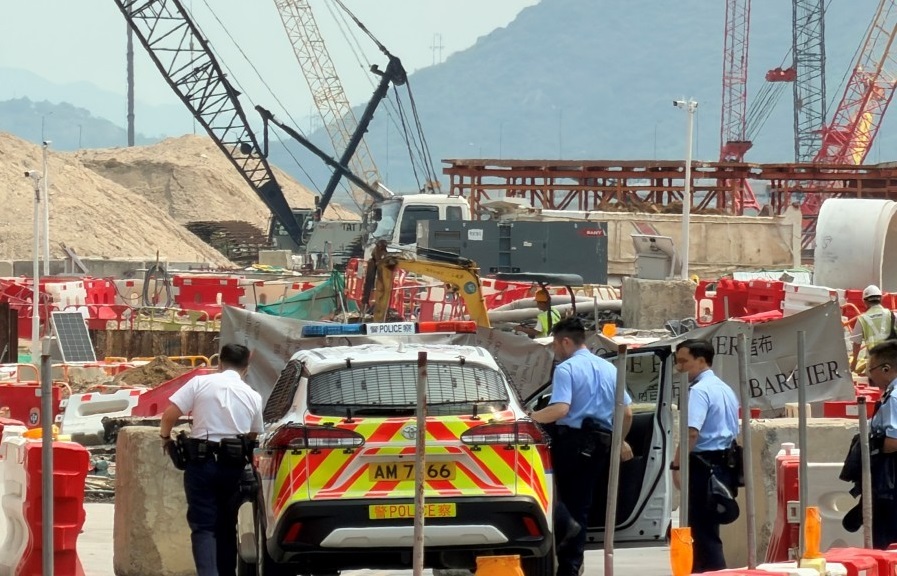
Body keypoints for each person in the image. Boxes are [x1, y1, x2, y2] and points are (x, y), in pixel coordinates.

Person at [529, 317, 633, 576]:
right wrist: (619, 440)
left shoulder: (566, 369)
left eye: (555, 345)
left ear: (565, 341)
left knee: (557, 501)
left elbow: (561, 409)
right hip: (601, 443)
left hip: (572, 443)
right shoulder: (609, 368)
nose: (555, 351)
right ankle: (571, 566)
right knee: (582, 504)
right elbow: (628, 412)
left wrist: (526, 419)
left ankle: (568, 561)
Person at [160, 344, 264, 576]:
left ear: (220, 363)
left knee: (204, 527)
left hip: (201, 463)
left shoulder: (199, 383)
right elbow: (253, 434)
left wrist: (166, 439)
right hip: (233, 467)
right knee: (227, 526)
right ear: (246, 367)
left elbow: (169, 416)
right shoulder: (253, 396)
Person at [671, 339, 740, 573]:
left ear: (701, 361)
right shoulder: (724, 388)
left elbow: (691, 433)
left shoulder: (699, 391)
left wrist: (677, 465)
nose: (679, 368)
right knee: (707, 528)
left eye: (684, 362)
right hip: (723, 463)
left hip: (703, 465)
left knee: (701, 532)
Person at [861, 340, 897, 548]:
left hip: (890, 482)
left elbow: (893, 441)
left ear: (886, 368)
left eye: (870, 369)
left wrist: (874, 452)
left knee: (886, 542)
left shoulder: (893, 397)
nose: (869, 375)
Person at [851, 285, 895, 373]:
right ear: (881, 299)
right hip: (893, 360)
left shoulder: (862, 319)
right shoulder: (892, 315)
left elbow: (856, 344)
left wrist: (854, 362)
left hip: (874, 363)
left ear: (865, 301)